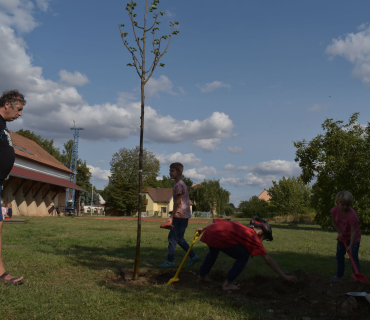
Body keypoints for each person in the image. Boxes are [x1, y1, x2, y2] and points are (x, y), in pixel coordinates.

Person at [196, 217, 297, 291]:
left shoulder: (239, 226)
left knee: (213, 253)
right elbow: (267, 259)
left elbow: (216, 221)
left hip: (210, 233)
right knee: (243, 256)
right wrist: (283, 276)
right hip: (219, 236)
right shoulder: (253, 237)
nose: (262, 241)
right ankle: (227, 284)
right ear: (260, 232)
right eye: (264, 238)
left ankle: (201, 277)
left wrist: (202, 228)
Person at [0, 90, 25, 285]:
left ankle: (1, 273)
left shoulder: (3, 126)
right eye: (19, 109)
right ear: (7, 105)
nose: (20, 114)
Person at [159, 162, 199, 267]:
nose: (170, 173)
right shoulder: (180, 184)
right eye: (170, 170)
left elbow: (178, 202)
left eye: (172, 171)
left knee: (172, 238)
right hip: (182, 215)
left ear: (179, 172)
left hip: (180, 216)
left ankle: (170, 261)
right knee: (179, 238)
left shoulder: (178, 185)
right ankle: (193, 256)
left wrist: (172, 217)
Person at [331, 190, 361, 280]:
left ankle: (357, 277)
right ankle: (339, 276)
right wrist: (340, 232)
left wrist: (351, 246)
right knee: (339, 256)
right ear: (338, 202)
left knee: (353, 258)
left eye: (348, 204)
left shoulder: (352, 215)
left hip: (353, 238)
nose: (345, 207)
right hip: (342, 237)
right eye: (342, 204)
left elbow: (353, 232)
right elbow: (334, 223)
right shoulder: (335, 210)